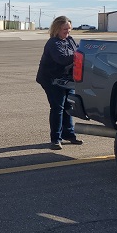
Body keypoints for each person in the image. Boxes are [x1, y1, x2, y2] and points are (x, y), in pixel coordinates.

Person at [36, 15, 84, 150]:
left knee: (69, 107)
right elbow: (62, 59)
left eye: (69, 29)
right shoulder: (53, 43)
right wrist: (79, 55)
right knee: (58, 108)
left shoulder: (69, 40)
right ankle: (56, 139)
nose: (67, 32)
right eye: (65, 29)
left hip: (66, 80)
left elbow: (78, 50)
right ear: (57, 29)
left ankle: (69, 135)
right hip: (51, 80)